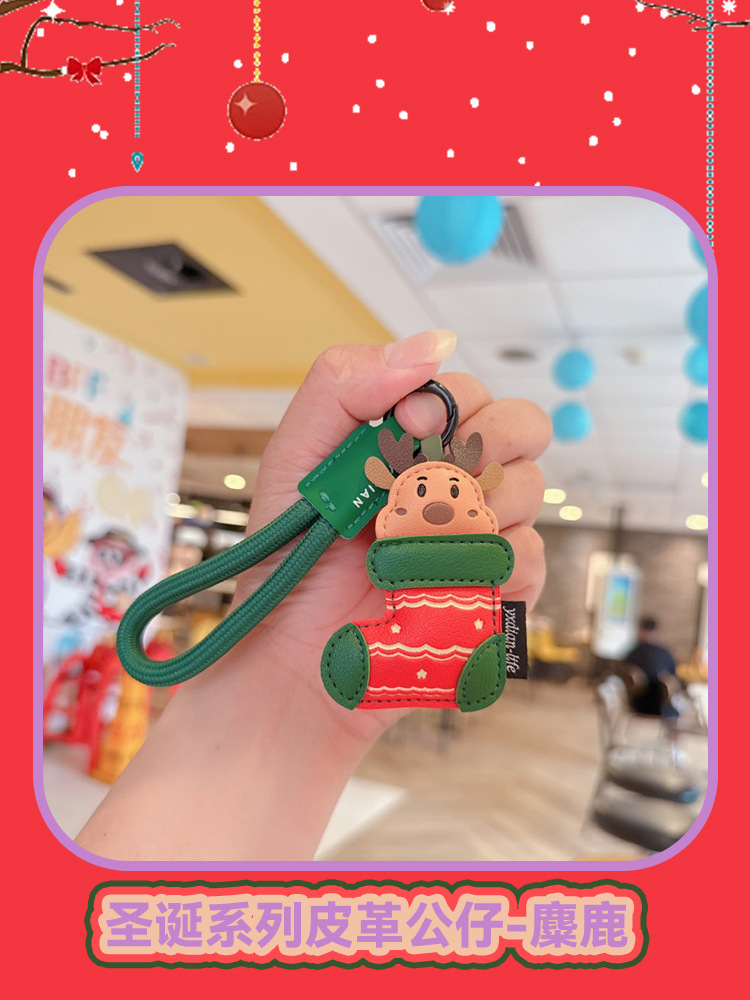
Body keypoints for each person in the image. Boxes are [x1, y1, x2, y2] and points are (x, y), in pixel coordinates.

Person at [75, 329, 551, 861]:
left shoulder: (459, 548)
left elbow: (486, 563)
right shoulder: (391, 541)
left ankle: (472, 663)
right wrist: (279, 674)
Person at [625, 617, 680, 721]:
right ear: (656, 631)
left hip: (636, 704)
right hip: (663, 707)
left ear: (640, 630)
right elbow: (674, 676)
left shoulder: (633, 653)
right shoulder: (664, 653)